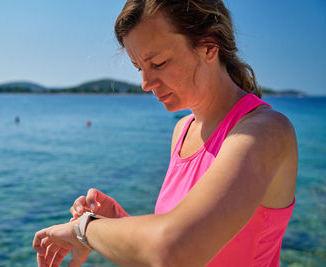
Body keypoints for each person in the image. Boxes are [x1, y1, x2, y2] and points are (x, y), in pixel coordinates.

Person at [33, 0, 298, 266]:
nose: (145, 84)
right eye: (139, 68)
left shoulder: (265, 132)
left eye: (158, 63)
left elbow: (176, 250)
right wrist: (116, 223)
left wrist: (86, 230)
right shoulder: (182, 131)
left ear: (209, 46)